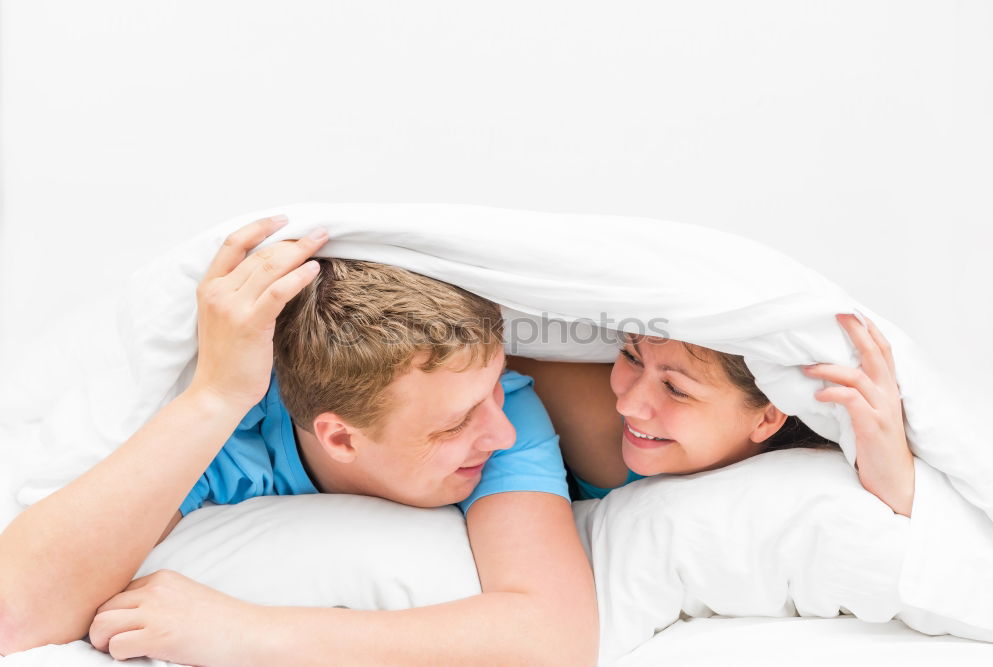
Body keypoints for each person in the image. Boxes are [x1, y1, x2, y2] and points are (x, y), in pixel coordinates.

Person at [0, 215, 598, 666]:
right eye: (453, 425)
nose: (503, 432)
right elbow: (14, 617)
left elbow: (554, 636)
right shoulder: (233, 433)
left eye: (494, 389)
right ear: (339, 438)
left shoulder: (496, 406)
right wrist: (213, 396)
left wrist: (249, 633)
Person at [508, 314, 915, 516]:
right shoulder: (601, 426)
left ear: (767, 419)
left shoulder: (816, 479)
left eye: (676, 389)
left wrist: (892, 474)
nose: (627, 405)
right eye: (630, 356)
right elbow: (482, 360)